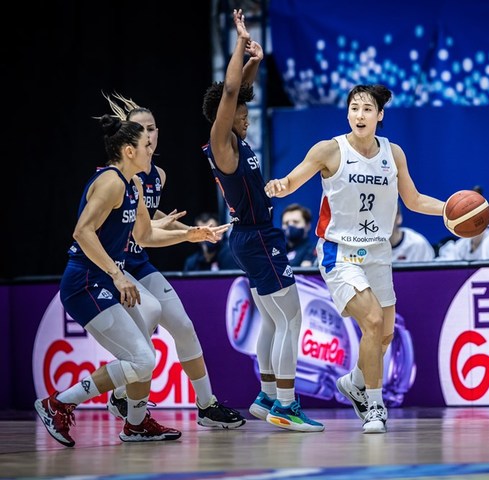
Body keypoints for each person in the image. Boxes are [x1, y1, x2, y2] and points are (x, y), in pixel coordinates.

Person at [34, 115, 228, 447]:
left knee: (143, 354)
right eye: (144, 144)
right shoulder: (110, 181)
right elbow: (82, 232)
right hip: (84, 282)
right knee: (141, 359)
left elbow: (146, 234)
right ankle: (58, 403)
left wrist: (188, 235)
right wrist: (116, 274)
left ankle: (135, 424)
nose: (150, 148)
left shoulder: (133, 184)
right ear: (128, 150)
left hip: (104, 280)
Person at [264, 83, 446, 434]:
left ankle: (355, 382)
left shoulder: (393, 154)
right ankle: (375, 407)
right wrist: (279, 186)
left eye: (367, 109)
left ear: (380, 116)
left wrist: (448, 212)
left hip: (378, 251)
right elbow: (293, 179)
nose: (359, 114)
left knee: (386, 335)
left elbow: (414, 200)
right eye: (354, 108)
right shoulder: (330, 150)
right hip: (339, 250)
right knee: (373, 321)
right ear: (348, 113)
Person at [201, 9, 323, 432]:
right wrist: (240, 40)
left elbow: (242, 86)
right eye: (239, 109)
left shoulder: (234, 139)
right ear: (224, 113)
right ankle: (287, 406)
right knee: (293, 318)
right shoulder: (222, 143)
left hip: (250, 237)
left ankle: (267, 395)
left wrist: (254, 59)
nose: (246, 112)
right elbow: (231, 89)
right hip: (257, 238)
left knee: (273, 319)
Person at [103, 93, 245, 429]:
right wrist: (184, 235)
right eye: (140, 129)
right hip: (115, 268)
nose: (148, 135)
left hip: (140, 263)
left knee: (183, 326)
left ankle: (206, 406)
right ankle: (128, 408)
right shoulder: (118, 176)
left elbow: (149, 218)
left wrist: (193, 230)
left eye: (152, 128)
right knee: (145, 334)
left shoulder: (157, 175)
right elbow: (137, 229)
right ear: (127, 137)